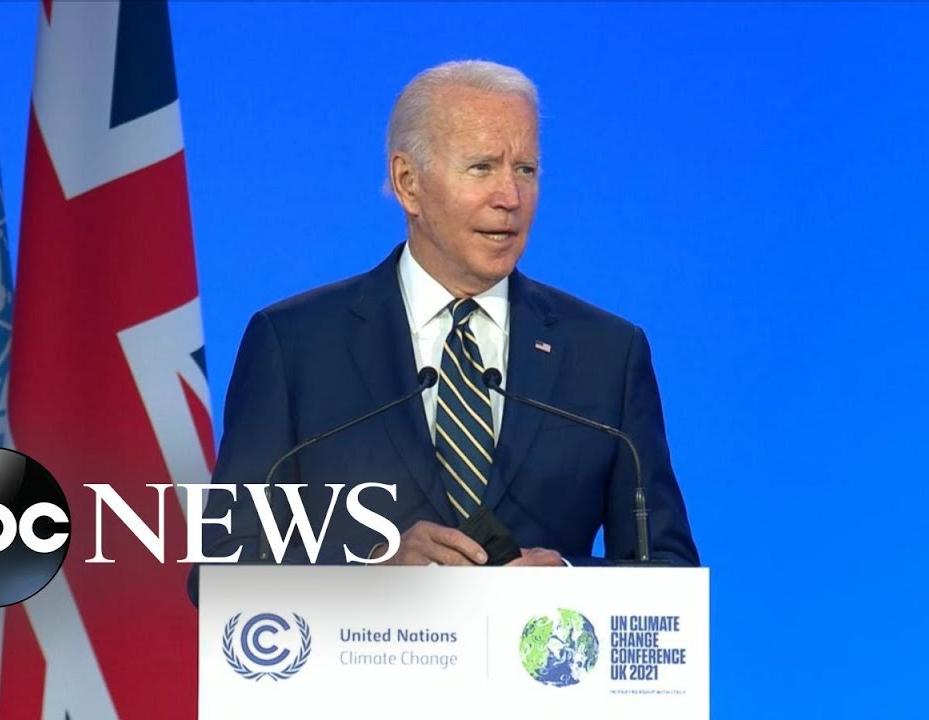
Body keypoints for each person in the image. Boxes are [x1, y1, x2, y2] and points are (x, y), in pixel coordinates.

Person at [198, 60, 698, 571]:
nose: (510, 198)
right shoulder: (295, 345)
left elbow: (668, 566)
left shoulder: (606, 354)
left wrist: (567, 580)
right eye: (482, 167)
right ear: (407, 182)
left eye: (525, 169)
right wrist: (373, 575)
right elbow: (222, 568)